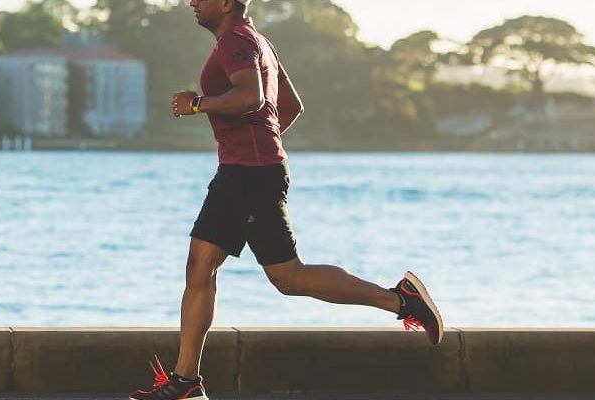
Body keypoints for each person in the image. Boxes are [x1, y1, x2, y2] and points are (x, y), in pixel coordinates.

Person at [129, 1, 443, 399]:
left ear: (225, 3)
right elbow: (289, 106)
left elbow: (251, 98)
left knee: (286, 275)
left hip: (248, 175)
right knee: (203, 265)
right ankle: (186, 382)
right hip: (247, 171)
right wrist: (261, 142)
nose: (192, 1)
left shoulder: (237, 42)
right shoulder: (256, 40)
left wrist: (198, 104)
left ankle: (401, 300)